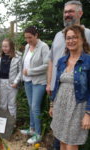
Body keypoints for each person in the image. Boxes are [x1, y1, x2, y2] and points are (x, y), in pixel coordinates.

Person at [46, 1, 90, 149]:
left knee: (72, 143)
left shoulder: (89, 37)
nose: (67, 14)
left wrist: (88, 112)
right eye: (65, 12)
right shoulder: (59, 39)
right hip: (59, 101)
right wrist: (51, 95)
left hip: (78, 104)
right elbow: (52, 62)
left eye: (70, 11)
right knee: (60, 141)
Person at [20, 26, 50, 144]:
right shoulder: (27, 46)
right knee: (30, 105)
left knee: (35, 107)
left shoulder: (43, 47)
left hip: (39, 81)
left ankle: (38, 134)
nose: (28, 40)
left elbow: (47, 65)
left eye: (30, 37)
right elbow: (24, 63)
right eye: (26, 38)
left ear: (36, 35)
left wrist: (30, 71)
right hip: (27, 81)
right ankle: (31, 129)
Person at [0, 38, 22, 118]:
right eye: (3, 46)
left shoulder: (17, 57)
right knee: (3, 103)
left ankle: (12, 122)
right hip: (1, 82)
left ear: (11, 47)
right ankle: (3, 122)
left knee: (11, 104)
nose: (4, 48)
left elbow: (20, 71)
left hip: (12, 83)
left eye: (6, 46)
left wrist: (16, 82)